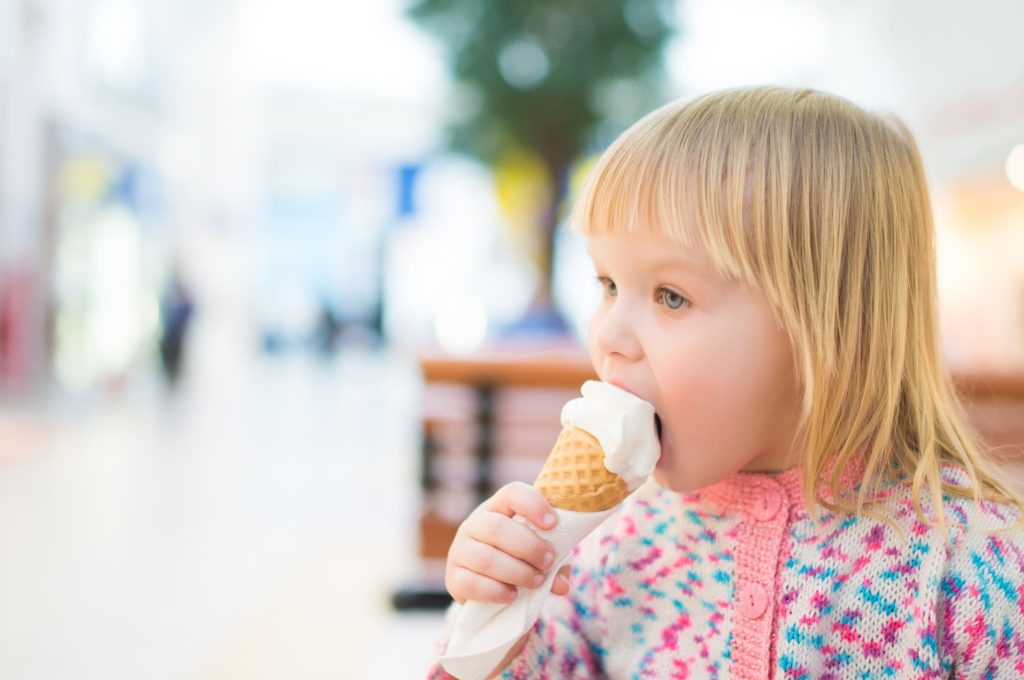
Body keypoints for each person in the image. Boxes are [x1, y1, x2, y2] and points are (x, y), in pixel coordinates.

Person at [426, 86, 1024, 678]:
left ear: (827, 324)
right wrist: (496, 623)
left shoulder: (973, 567)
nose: (609, 333)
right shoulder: (616, 547)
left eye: (671, 296)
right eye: (607, 285)